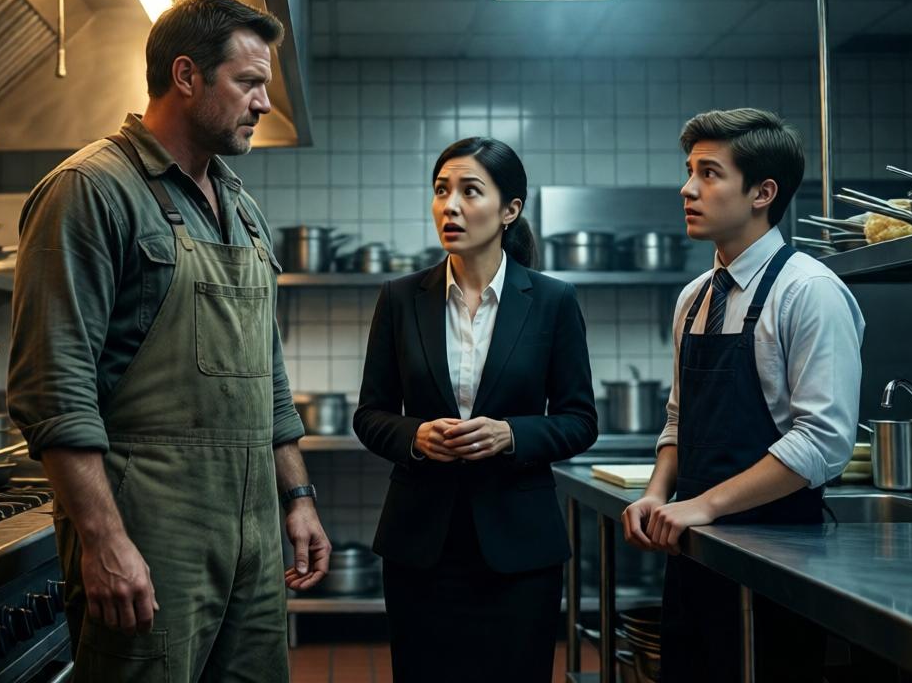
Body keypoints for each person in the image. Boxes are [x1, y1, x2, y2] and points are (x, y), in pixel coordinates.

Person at [7, 0, 330, 682]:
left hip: (252, 537)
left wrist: (297, 499)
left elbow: (267, 375)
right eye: (248, 83)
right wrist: (104, 540)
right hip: (151, 532)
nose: (264, 104)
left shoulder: (241, 206)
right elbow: (52, 389)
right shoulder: (90, 190)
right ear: (186, 76)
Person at [621, 108, 865, 682]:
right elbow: (679, 418)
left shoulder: (809, 291)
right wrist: (660, 493)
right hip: (693, 550)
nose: (687, 188)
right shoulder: (694, 297)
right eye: (689, 171)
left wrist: (702, 504)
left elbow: (823, 442)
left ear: (763, 192)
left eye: (709, 173)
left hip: (778, 559)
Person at [353, 137, 599, 683]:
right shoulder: (400, 298)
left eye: (470, 191)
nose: (451, 206)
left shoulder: (554, 300)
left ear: (510, 209)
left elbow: (580, 421)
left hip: (519, 549)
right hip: (419, 547)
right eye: (441, 191)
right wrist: (416, 437)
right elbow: (370, 414)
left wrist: (511, 435)